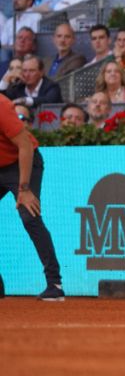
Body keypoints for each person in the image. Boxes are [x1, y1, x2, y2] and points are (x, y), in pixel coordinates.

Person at [0, 89, 63, 300]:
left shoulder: (1, 105)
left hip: (23, 162)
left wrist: (24, 189)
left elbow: (25, 144)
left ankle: (55, 284)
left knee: (29, 216)